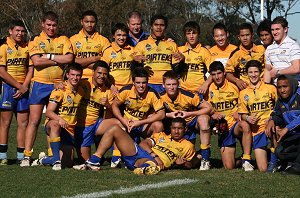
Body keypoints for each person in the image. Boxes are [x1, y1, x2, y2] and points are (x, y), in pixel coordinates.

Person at [20, 11, 74, 166]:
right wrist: (58, 60)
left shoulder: (63, 39)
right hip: (39, 84)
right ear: (42, 24)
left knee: (52, 120)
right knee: (34, 121)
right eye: (48, 25)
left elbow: (69, 58)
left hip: (58, 84)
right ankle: (27, 155)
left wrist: (48, 57)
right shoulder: (35, 39)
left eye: (54, 25)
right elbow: (36, 62)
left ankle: (52, 154)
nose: (51, 28)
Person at [80, 117, 195, 174]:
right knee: (115, 129)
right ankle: (95, 160)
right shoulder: (162, 136)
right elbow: (144, 143)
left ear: (185, 129)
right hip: (142, 153)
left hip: (154, 162)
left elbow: (191, 164)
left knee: (150, 163)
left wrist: (183, 164)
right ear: (170, 128)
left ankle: (143, 168)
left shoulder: (188, 145)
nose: (176, 131)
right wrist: (155, 155)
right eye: (174, 128)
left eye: (179, 129)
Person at [32, 63, 85, 170]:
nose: (75, 78)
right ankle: (56, 160)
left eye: (78, 75)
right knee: (55, 124)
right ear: (67, 75)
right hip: (55, 126)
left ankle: (43, 160)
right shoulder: (60, 90)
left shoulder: (81, 91)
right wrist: (60, 119)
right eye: (73, 75)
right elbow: (49, 112)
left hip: (69, 130)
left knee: (68, 163)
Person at [160, 70, 213, 170]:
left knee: (203, 119)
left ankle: (205, 158)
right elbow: (152, 114)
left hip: (192, 123)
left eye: (174, 84)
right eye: (168, 84)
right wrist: (168, 114)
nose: (171, 87)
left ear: (178, 84)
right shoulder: (160, 97)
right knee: (186, 158)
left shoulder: (188, 95)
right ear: (163, 85)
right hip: (176, 127)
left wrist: (189, 113)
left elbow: (209, 108)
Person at [208, 61, 253, 171]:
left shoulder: (234, 86)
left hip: (235, 124)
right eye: (213, 74)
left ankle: (247, 160)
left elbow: (244, 102)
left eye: (219, 73)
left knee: (244, 125)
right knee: (229, 166)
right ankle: (241, 161)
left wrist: (239, 111)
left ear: (224, 73)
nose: (217, 77)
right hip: (223, 128)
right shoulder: (209, 88)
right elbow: (206, 107)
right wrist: (213, 114)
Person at [0, 20, 33, 164]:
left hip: (23, 88)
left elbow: (30, 69)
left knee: (23, 123)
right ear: (10, 31)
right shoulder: (3, 47)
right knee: (5, 123)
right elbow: (1, 71)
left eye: (22, 31)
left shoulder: (27, 47)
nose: (20, 33)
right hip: (8, 88)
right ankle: (2, 156)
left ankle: (21, 156)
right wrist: (18, 86)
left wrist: (24, 86)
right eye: (17, 31)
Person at [75, 60, 121, 162]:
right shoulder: (82, 83)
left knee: (119, 124)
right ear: (93, 72)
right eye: (99, 73)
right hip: (81, 126)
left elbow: (109, 116)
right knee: (85, 161)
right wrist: (58, 84)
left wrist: (108, 106)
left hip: (96, 124)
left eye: (105, 74)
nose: (102, 76)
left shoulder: (108, 92)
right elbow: (67, 85)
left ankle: (116, 158)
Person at [238, 60, 277, 172]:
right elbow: (242, 114)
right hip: (257, 130)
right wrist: (248, 118)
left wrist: (272, 119)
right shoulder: (243, 93)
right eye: (250, 72)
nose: (253, 75)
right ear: (247, 74)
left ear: (260, 73)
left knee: (275, 128)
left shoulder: (270, 88)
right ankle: (271, 156)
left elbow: (279, 108)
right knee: (262, 168)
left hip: (270, 126)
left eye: (256, 72)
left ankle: (275, 160)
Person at [112, 67, 165, 142]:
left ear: (147, 82)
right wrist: (122, 119)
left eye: (144, 83)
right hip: (127, 123)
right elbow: (114, 105)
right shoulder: (126, 90)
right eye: (138, 83)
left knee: (158, 125)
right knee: (117, 126)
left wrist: (140, 122)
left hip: (142, 124)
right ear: (133, 82)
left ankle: (150, 149)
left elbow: (162, 114)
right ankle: (116, 153)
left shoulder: (152, 93)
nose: (141, 86)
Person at [134, 14, 184, 93]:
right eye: (156, 25)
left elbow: (176, 69)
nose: (158, 28)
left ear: (166, 27)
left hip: (166, 85)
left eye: (162, 25)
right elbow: (135, 69)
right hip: (148, 83)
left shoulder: (172, 44)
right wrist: (135, 61)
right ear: (151, 26)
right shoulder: (141, 44)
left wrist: (182, 60)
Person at [265, 75, 300, 175]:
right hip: (294, 136)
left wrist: (286, 128)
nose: (282, 90)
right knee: (279, 152)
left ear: (292, 85)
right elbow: (277, 115)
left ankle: (297, 167)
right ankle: (291, 163)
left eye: (285, 86)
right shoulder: (280, 101)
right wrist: (272, 121)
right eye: (279, 87)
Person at [70, 10, 111, 79]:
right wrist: (94, 58)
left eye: (92, 22)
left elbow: (105, 65)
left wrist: (82, 62)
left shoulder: (104, 40)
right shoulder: (73, 39)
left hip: (97, 79)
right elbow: (72, 62)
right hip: (78, 78)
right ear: (81, 22)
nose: (89, 25)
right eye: (87, 22)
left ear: (96, 22)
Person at [225, 23, 265, 90]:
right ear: (239, 37)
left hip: (262, 87)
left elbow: (268, 68)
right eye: (242, 36)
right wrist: (237, 81)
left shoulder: (262, 49)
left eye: (247, 35)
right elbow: (227, 73)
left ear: (252, 35)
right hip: (246, 89)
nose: (245, 38)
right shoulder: (236, 53)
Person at [178, 21, 212, 94]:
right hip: (182, 91)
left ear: (198, 34)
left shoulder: (204, 51)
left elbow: (214, 71)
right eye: (188, 33)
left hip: (199, 91)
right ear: (185, 35)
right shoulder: (179, 50)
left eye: (194, 33)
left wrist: (205, 85)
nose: (191, 36)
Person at [264, 16, 300, 83]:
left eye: (277, 29)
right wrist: (266, 88)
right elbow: (267, 70)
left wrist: (278, 72)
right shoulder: (269, 49)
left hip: (292, 88)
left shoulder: (293, 45)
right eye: (272, 30)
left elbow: (296, 68)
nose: (274, 32)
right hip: (276, 89)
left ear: (285, 29)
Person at [101, 23, 135, 90]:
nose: (121, 38)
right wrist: (111, 86)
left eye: (124, 35)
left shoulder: (133, 50)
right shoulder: (108, 51)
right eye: (119, 35)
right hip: (114, 88)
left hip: (129, 88)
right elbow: (102, 72)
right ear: (114, 36)